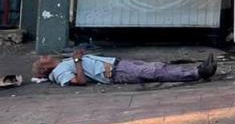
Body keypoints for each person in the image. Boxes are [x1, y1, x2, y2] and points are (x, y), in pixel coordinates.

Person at [33, 49, 217, 86]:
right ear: (44, 69)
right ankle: (198, 72)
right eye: (43, 59)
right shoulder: (59, 72)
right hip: (114, 73)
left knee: (157, 67)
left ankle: (199, 70)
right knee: (154, 72)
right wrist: (77, 61)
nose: (45, 56)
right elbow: (79, 81)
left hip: (116, 64)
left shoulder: (65, 61)